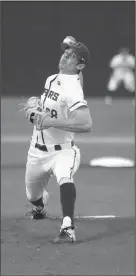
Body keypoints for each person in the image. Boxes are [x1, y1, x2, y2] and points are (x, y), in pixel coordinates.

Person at [23, 40, 92, 243]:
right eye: (66, 53)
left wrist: (50, 121)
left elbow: (85, 124)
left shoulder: (73, 88)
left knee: (65, 177)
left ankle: (68, 225)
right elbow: (50, 109)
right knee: (32, 196)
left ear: (80, 66)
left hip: (63, 151)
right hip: (36, 152)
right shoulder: (52, 78)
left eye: (71, 56)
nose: (64, 56)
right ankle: (39, 206)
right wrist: (35, 106)